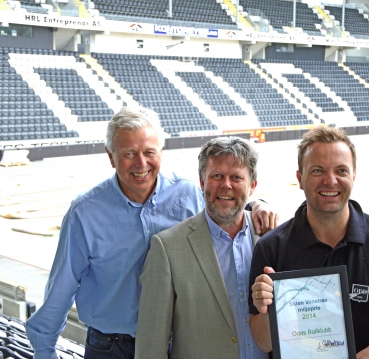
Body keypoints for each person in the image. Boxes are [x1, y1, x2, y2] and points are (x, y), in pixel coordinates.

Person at [25, 107, 277, 359]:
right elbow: (60, 291)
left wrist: (256, 205)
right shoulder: (85, 213)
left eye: (149, 152)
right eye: (129, 154)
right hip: (112, 346)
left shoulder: (187, 194)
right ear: (111, 156)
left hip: (178, 341)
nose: (141, 163)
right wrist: (45, 352)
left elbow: (224, 203)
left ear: (160, 152)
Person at [249, 126, 369, 358]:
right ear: (300, 178)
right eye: (318, 171)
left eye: (341, 170)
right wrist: (268, 311)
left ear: (353, 175)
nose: (330, 181)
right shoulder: (271, 248)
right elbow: (263, 342)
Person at [135, 136, 267, 359]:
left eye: (236, 177)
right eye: (217, 176)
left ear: (252, 186)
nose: (226, 185)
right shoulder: (167, 248)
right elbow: (150, 348)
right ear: (202, 182)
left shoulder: (271, 238)